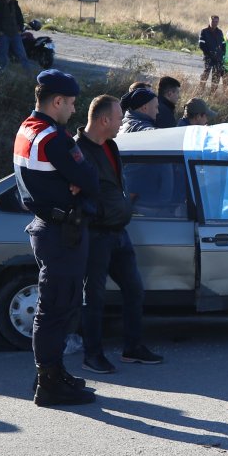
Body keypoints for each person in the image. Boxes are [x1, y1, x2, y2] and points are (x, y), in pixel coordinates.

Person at [13, 70, 98, 406]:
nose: (75, 110)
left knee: (59, 306)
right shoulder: (54, 138)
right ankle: (47, 383)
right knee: (56, 309)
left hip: (49, 226)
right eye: (73, 103)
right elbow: (89, 178)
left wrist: (75, 181)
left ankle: (53, 372)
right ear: (57, 101)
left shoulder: (26, 128)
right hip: (62, 231)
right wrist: (79, 182)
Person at [75, 95, 164, 374]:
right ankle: (92, 355)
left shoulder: (111, 146)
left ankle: (132, 348)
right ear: (103, 120)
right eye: (117, 119)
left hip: (119, 233)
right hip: (96, 234)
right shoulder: (77, 152)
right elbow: (74, 194)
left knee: (134, 289)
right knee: (95, 297)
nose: (121, 124)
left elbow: (117, 184)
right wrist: (97, 215)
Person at [0, 0, 32, 73]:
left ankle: (29, 74)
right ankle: (3, 73)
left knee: (22, 54)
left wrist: (20, 29)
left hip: (15, 33)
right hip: (3, 34)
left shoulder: (15, 3)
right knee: (3, 55)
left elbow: (20, 18)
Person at [197, 15, 225, 93]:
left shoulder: (220, 32)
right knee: (205, 74)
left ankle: (212, 94)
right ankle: (200, 91)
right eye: (213, 21)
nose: (215, 23)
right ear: (210, 21)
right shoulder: (204, 31)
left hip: (218, 58)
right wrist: (209, 53)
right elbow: (201, 45)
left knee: (216, 77)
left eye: (216, 21)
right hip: (208, 57)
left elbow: (223, 44)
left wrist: (222, 54)